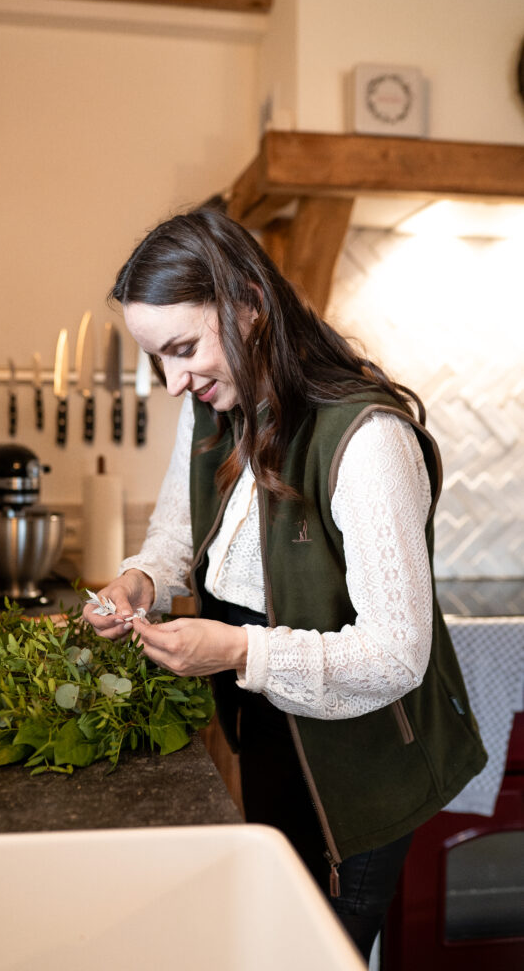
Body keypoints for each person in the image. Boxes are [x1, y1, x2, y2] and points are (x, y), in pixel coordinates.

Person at [83, 208, 486, 962]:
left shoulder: (365, 441)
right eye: (155, 360)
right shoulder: (216, 408)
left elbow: (397, 656)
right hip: (271, 739)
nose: (173, 382)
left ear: (248, 305)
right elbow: (179, 527)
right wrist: (142, 576)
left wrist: (238, 650)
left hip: (359, 772)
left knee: (313, 954)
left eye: (182, 349)